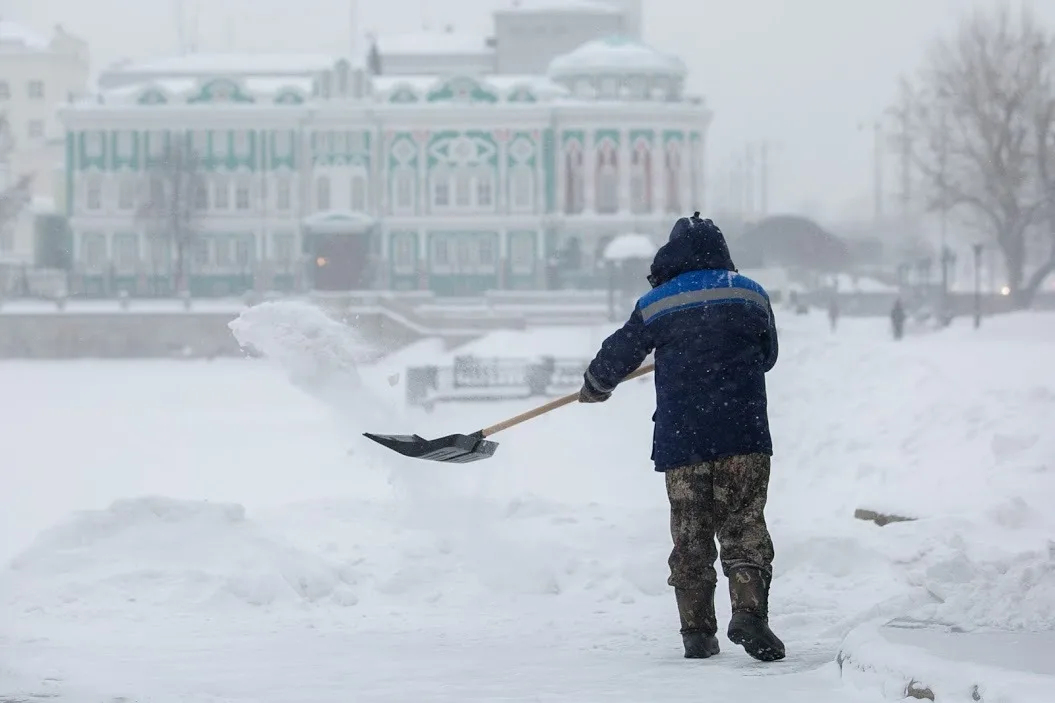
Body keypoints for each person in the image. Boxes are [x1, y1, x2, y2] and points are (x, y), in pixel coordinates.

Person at [578, 213, 784, 662]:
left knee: (690, 535)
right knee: (744, 523)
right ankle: (749, 613)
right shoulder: (751, 292)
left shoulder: (658, 302)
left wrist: (596, 384)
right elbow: (767, 356)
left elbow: (619, 352)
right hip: (743, 432)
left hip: (684, 439)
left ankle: (697, 634)